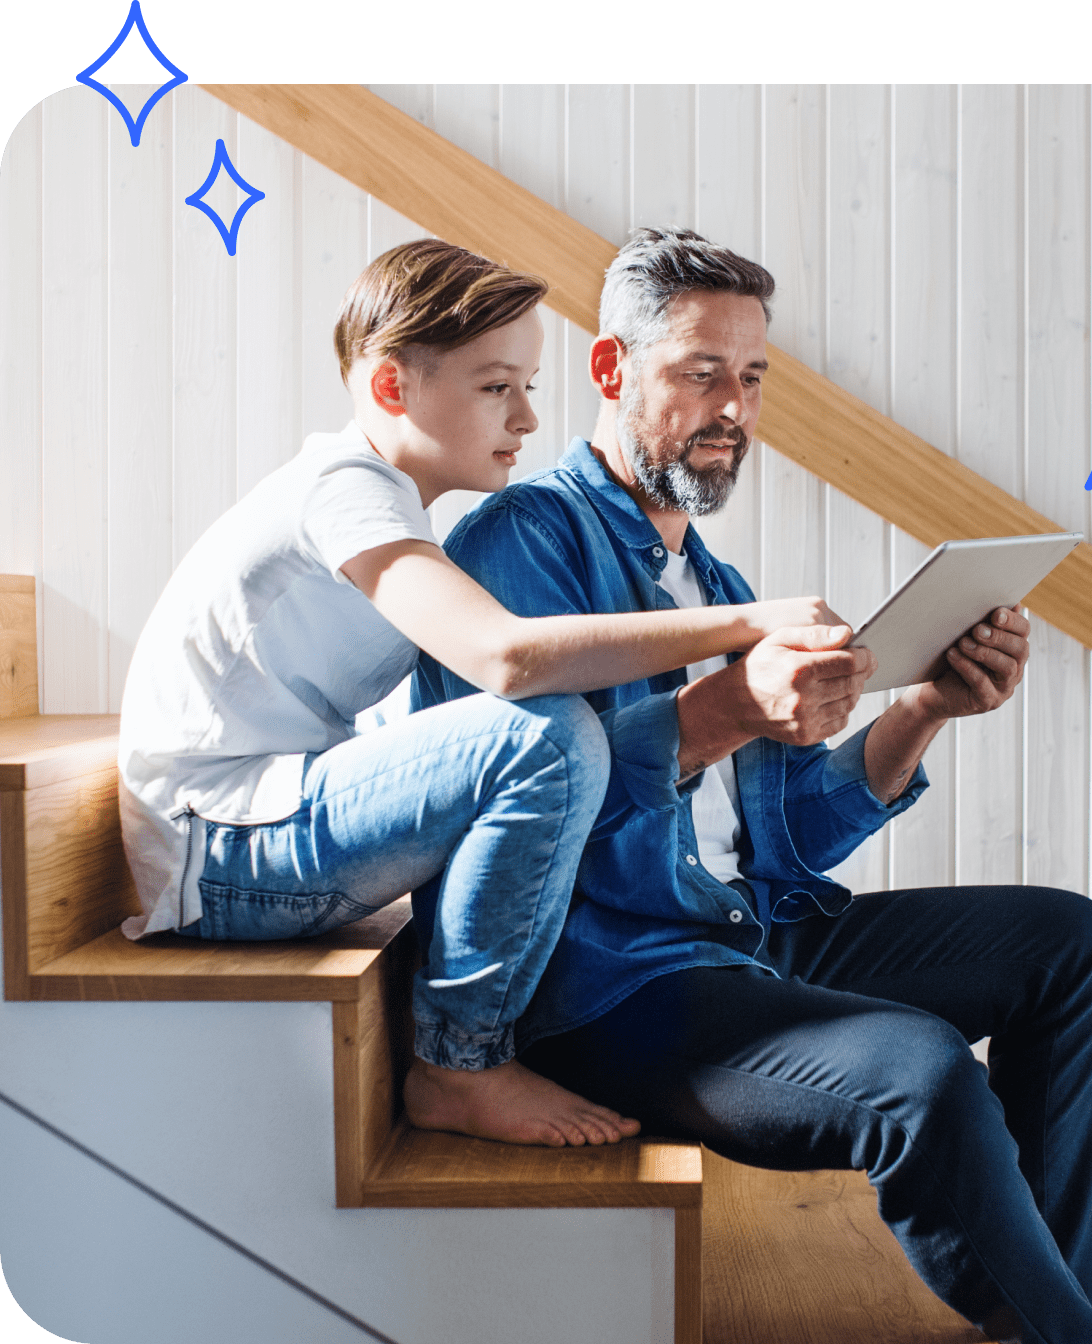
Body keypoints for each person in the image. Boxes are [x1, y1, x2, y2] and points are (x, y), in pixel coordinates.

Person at [414, 227, 1092, 1343]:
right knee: (919, 1073)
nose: (734, 409)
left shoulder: (715, 581)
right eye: (702, 373)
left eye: (751, 378)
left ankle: (1042, 1311)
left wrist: (922, 710)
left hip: (743, 938)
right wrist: (728, 711)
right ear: (610, 370)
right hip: (609, 984)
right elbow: (515, 811)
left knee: (1072, 946)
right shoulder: (521, 544)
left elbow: (789, 837)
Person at [117, 238, 841, 1151]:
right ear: (391, 387)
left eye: (527, 385)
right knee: (545, 734)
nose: (528, 417)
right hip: (221, 853)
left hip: (258, 832)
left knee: (540, 736)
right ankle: (459, 1063)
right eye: (497, 387)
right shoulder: (345, 489)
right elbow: (506, 657)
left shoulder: (391, 507)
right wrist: (746, 624)